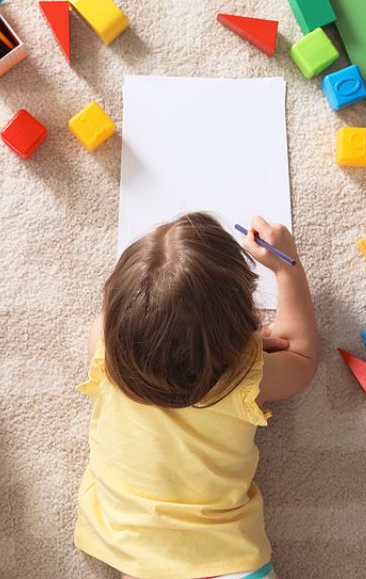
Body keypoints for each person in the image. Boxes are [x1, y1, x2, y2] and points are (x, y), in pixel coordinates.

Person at [74, 212, 319, 579]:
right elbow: (301, 354)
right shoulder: (246, 375)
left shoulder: (104, 346)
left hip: (130, 548)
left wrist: (240, 346)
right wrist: (288, 267)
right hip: (226, 556)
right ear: (236, 327)